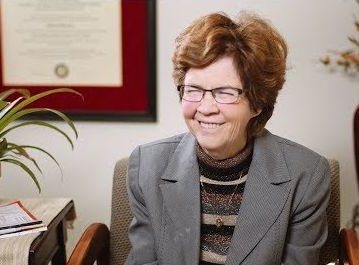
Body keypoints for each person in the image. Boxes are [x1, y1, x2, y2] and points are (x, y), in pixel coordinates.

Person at [125, 11, 330, 265]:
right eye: (194, 90)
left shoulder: (307, 175)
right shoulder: (147, 166)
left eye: (224, 92)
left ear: (257, 103)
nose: (206, 107)